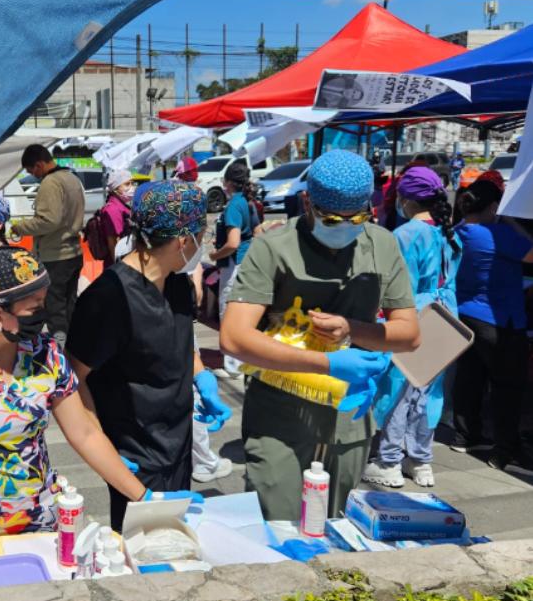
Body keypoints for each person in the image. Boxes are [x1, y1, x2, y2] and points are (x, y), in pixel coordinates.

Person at [0, 246, 200, 568]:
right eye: (34, 306)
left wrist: (143, 498)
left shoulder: (45, 355)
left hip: (39, 520)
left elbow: (83, 433)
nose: (44, 313)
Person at [220, 150, 420, 520]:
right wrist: (327, 363)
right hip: (280, 412)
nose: (344, 226)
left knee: (338, 525)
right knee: (276, 522)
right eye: (331, 218)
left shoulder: (381, 244)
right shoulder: (273, 248)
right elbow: (234, 337)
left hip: (349, 414)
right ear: (308, 202)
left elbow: (408, 334)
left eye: (356, 217)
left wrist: (352, 330)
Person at [67, 181, 226, 531]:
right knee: (141, 558)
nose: (205, 242)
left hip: (176, 444)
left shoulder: (178, 282)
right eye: (203, 233)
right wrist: (104, 446)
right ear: (184, 240)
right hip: (134, 455)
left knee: (178, 545)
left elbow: (182, 343)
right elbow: (72, 379)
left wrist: (201, 375)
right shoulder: (109, 298)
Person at [363, 166, 462, 489]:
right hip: (446, 318)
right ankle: (420, 461)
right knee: (428, 392)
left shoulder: (405, 234)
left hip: (413, 317)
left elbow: (398, 286)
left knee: (397, 390)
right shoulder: (450, 232)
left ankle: (389, 461)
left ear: (405, 199)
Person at [452, 179, 533, 470]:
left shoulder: (458, 232)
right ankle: (505, 450)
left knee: (469, 378)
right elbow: (531, 253)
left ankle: (465, 435)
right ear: (493, 206)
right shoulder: (496, 234)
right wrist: (512, 221)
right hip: (500, 320)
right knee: (507, 387)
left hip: (464, 315)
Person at [11, 144, 85, 345]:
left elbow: (49, 221)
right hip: (74, 252)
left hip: (55, 255)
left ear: (39, 164)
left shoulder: (50, 183)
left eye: (30, 170)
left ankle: (60, 356)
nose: (32, 175)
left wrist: (20, 227)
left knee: (54, 309)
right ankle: (75, 346)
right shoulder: (71, 178)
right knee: (70, 305)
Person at [209, 162, 259, 378]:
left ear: (227, 182)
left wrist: (214, 255)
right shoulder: (248, 203)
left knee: (227, 312)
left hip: (233, 264)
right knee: (243, 312)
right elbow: (257, 232)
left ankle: (232, 365)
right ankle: (243, 360)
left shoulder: (233, 207)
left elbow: (232, 243)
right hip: (247, 263)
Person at [99, 169, 135, 267]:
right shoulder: (112, 209)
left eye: (132, 183)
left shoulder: (122, 205)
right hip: (120, 264)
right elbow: (113, 242)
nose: (132, 187)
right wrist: (119, 267)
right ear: (115, 188)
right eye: (127, 184)